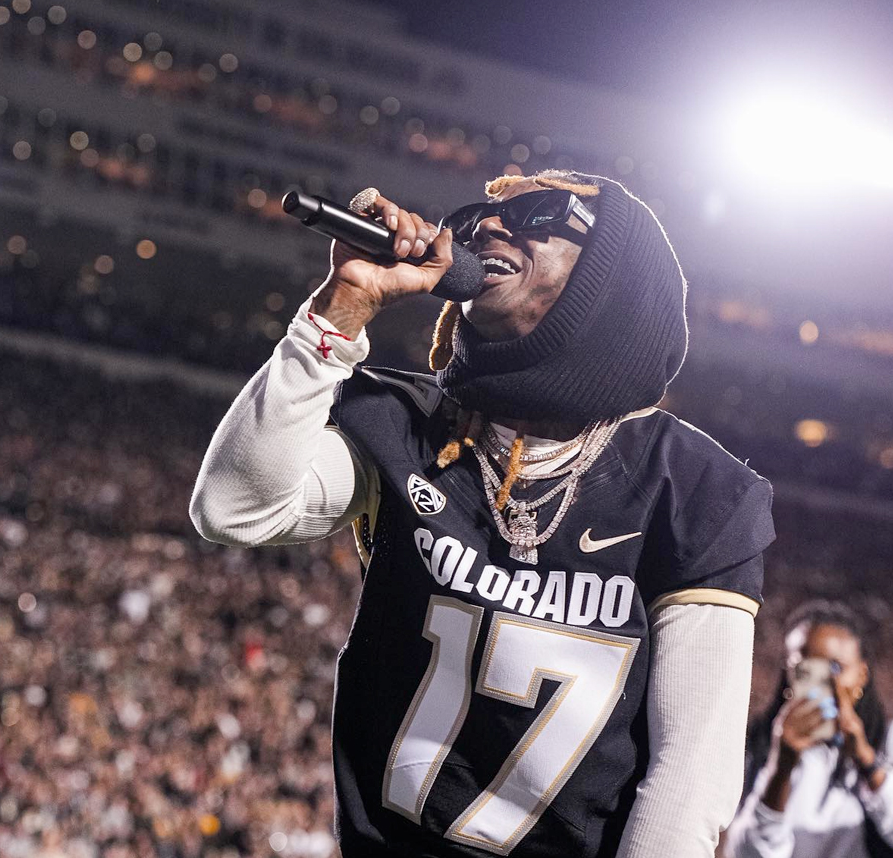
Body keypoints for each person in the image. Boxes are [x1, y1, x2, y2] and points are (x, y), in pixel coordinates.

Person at [192, 169, 776, 857]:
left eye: (539, 214)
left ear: (614, 277)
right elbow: (233, 509)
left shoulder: (694, 487)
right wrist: (341, 307)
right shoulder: (406, 422)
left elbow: (688, 782)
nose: (489, 227)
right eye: (477, 220)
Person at [722, 600, 893, 858]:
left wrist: (866, 761)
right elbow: (743, 853)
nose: (822, 682)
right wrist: (781, 769)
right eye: (806, 668)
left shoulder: (887, 742)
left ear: (862, 675)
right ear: (787, 673)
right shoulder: (757, 747)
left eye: (835, 668)